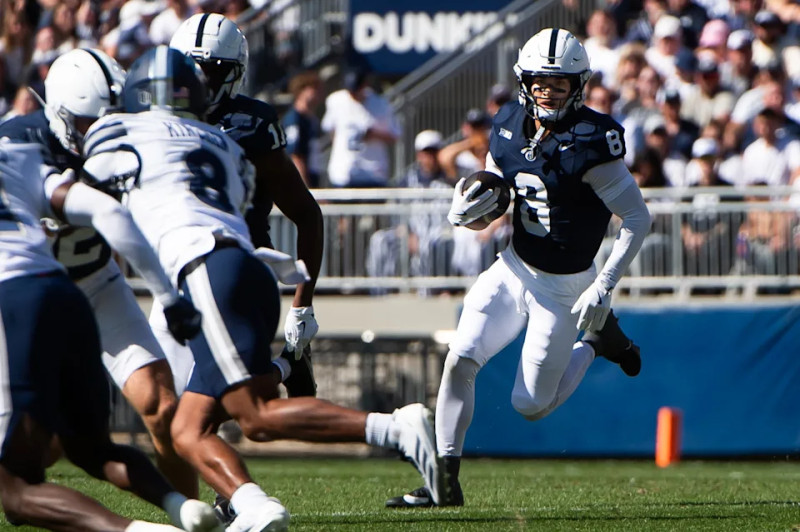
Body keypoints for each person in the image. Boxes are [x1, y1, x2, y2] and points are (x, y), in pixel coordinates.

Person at [80, 45, 448, 532]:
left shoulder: (120, 131)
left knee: (253, 416)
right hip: (249, 268)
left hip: (204, 268)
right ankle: (251, 503)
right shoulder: (221, 141)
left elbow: (92, 204)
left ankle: (393, 427)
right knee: (187, 428)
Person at [387, 27, 649, 508]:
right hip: (512, 267)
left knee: (529, 406)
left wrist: (605, 286)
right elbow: (495, 184)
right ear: (524, 81)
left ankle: (595, 341)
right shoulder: (507, 121)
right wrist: (472, 209)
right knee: (460, 358)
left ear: (579, 85)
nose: (549, 92)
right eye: (540, 82)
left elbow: (636, 217)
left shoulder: (593, 139)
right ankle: (444, 483)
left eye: (561, 83)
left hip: (564, 286)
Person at [0, 47, 201, 498]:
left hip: (96, 281)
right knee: (40, 446)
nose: (103, 132)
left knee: (163, 407)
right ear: (59, 114)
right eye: (91, 124)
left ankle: (193, 517)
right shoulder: (17, 145)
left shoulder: (134, 139)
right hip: (27, 295)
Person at [0, 137, 219, 531]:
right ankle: (181, 508)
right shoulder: (21, 151)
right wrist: (168, 296)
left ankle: (133, 529)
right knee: (89, 449)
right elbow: (107, 210)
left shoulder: (40, 145)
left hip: (26, 295)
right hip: (60, 291)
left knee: (15, 489)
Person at [169, 13, 323, 401]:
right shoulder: (153, 118)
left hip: (236, 269)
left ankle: (290, 368)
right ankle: (288, 365)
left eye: (212, 71)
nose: (200, 80)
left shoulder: (250, 124)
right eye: (191, 68)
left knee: (238, 406)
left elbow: (306, 213)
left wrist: (302, 306)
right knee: (178, 407)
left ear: (234, 74)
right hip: (175, 270)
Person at [321, 64, 401, 187]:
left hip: (373, 173)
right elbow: (330, 129)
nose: (352, 94)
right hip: (344, 172)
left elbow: (395, 135)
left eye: (356, 90)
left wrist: (372, 134)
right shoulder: (336, 100)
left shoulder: (380, 104)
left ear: (364, 86)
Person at [281, 70, 325, 188]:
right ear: (301, 90)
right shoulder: (294, 119)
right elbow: (295, 156)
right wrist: (306, 189)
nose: (318, 94)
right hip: (299, 184)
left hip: (313, 177)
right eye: (314, 89)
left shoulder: (311, 120)